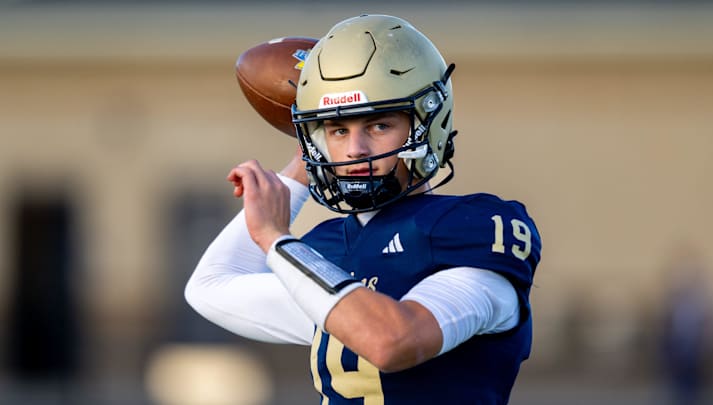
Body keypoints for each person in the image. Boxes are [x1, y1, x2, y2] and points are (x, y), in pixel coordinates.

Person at [185, 14, 541, 404]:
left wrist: (276, 239)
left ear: (426, 123)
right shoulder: (329, 246)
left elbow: (391, 342)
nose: (355, 149)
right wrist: (298, 168)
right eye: (338, 130)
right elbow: (211, 287)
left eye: (378, 125)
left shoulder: (469, 227)